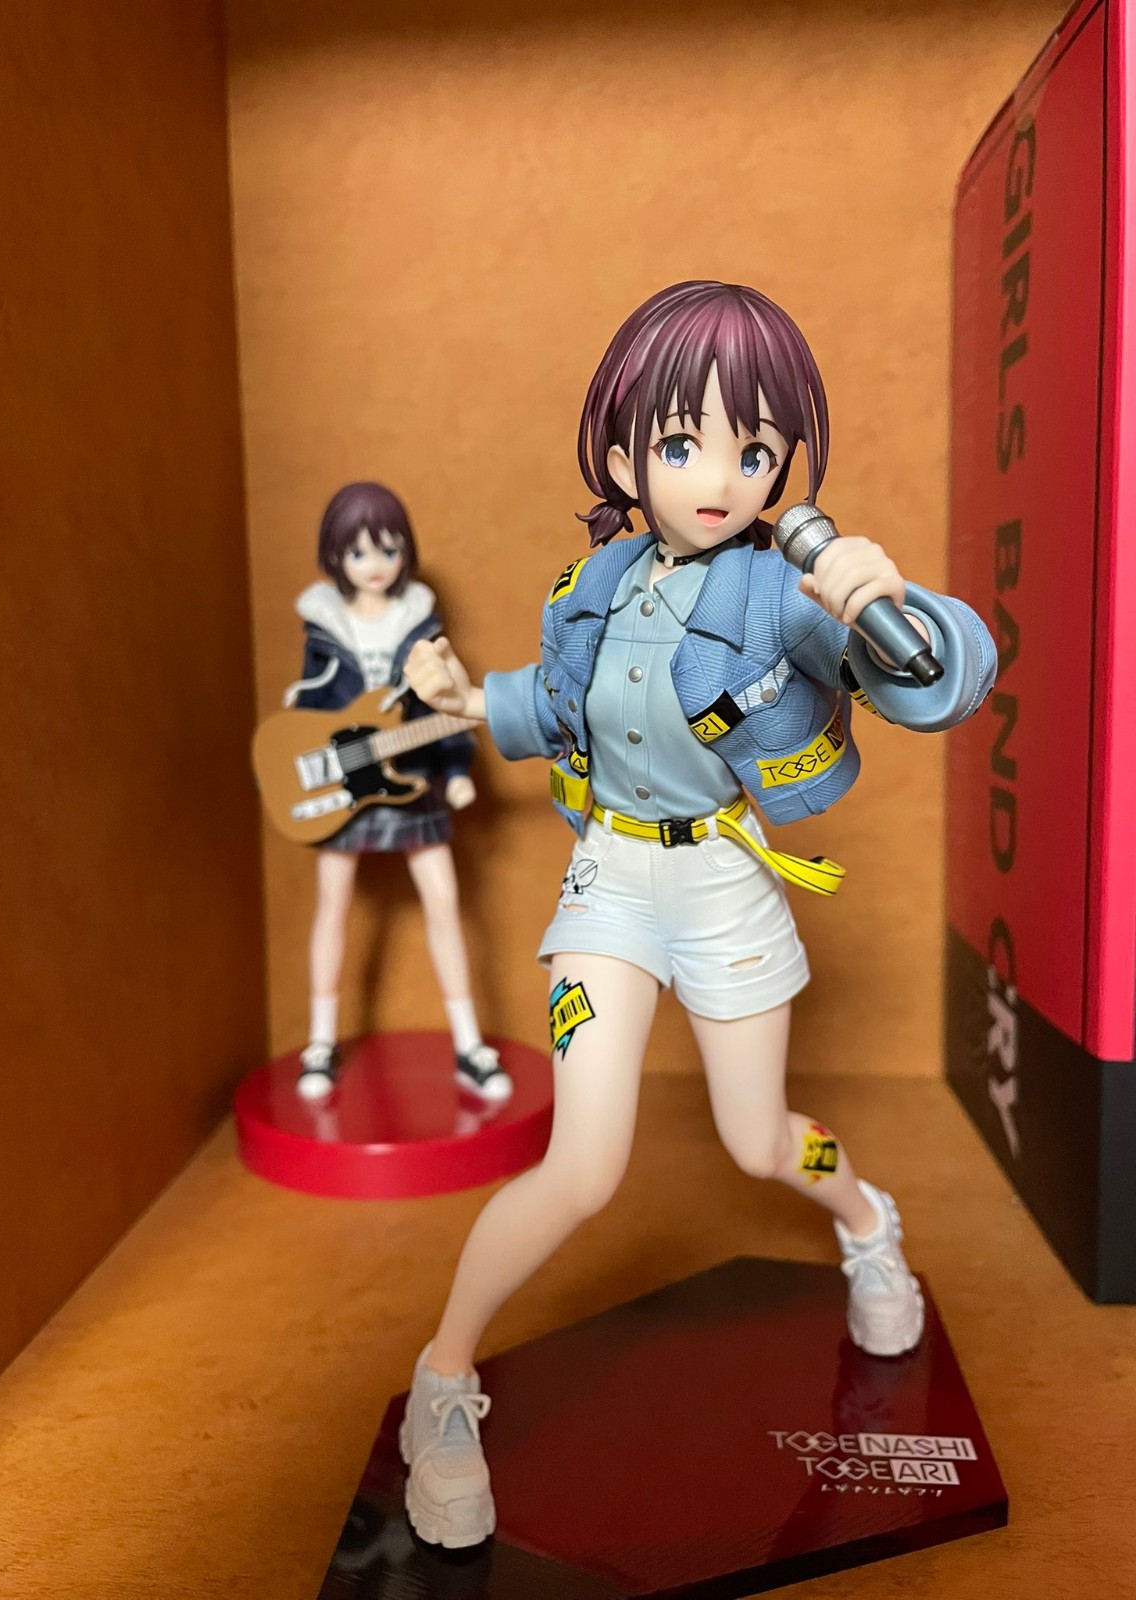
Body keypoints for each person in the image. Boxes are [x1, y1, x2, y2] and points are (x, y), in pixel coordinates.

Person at [398, 282, 997, 1548]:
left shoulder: (785, 595)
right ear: (626, 459)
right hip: (612, 881)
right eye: (682, 445)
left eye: (753, 449)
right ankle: (442, 1381)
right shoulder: (595, 581)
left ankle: (867, 1220)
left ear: (782, 465)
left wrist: (884, 597)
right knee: (584, 1164)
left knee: (764, 1141)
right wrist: (462, 702)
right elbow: (559, 702)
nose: (719, 477)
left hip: (724, 882)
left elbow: (938, 684)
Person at [283, 480, 511, 1104]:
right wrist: (309, 748)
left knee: (445, 900)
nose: (375, 564)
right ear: (335, 556)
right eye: (358, 552)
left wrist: (457, 768)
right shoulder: (324, 622)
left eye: (387, 549)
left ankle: (468, 1043)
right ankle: (321, 1041)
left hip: (411, 779)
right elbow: (310, 700)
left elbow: (445, 704)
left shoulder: (421, 624)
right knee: (332, 904)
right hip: (346, 784)